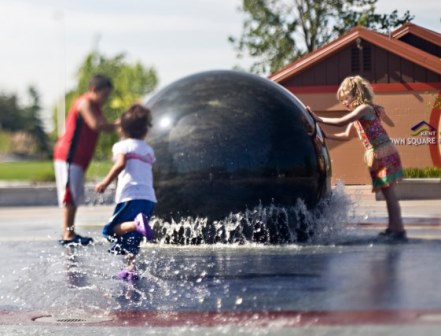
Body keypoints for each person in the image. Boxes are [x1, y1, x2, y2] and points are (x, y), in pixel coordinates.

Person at [308, 75, 406, 240]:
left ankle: (397, 229)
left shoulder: (364, 109)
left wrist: (318, 119)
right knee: (387, 193)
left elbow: (340, 121)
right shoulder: (358, 117)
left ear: (356, 94)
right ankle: (393, 227)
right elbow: (346, 135)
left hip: (382, 152)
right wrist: (325, 136)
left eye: (346, 98)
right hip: (377, 154)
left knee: (389, 194)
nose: (344, 103)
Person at [54, 74, 117, 246]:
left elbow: (103, 125)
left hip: (79, 159)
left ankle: (71, 232)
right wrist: (122, 125)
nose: (105, 100)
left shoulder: (96, 106)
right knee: (70, 194)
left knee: (75, 194)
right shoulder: (85, 103)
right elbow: (96, 125)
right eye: (104, 95)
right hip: (69, 155)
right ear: (94, 90)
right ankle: (68, 235)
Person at [95, 103, 156, 281]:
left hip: (130, 195)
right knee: (133, 239)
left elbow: (120, 164)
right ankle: (130, 268)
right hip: (149, 198)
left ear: (122, 129)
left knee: (111, 230)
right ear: (145, 131)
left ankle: (136, 224)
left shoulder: (122, 146)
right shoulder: (148, 149)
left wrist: (105, 182)